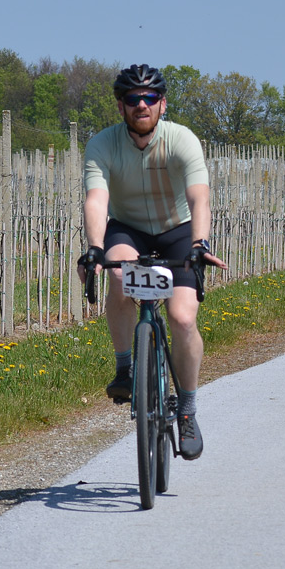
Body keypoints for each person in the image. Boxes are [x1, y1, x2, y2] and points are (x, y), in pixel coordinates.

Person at [78, 64, 225, 460]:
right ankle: (125, 367)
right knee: (119, 271)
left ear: (162, 104)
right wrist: (94, 247)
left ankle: (188, 411)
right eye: (131, 99)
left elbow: (199, 197)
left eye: (148, 98)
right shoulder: (103, 144)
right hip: (128, 228)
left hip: (178, 230)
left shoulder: (182, 139)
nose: (140, 105)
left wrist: (200, 242)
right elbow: (96, 199)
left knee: (181, 318)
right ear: (120, 106)